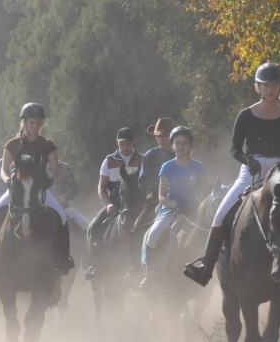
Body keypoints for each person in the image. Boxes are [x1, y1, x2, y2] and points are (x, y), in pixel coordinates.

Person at [184, 62, 280, 287]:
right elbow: (235, 148)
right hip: (251, 170)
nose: (270, 89)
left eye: (274, 85)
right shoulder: (245, 115)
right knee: (220, 215)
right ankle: (205, 268)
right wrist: (247, 160)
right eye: (266, 85)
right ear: (258, 87)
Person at [0, 102, 75, 274]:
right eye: (31, 122)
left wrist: (48, 182)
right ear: (24, 122)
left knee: (61, 216)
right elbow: (4, 170)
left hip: (39, 190)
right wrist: (8, 182)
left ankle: (64, 257)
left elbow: (56, 172)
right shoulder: (12, 144)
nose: (35, 126)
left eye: (38, 123)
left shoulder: (48, 146)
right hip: (16, 189)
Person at [139, 127, 206, 290]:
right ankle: (149, 274)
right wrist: (176, 205)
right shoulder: (167, 167)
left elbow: (205, 194)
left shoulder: (199, 167)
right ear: (172, 146)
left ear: (190, 145)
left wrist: (200, 207)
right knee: (153, 234)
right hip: (171, 209)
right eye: (177, 143)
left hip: (194, 209)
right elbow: (161, 196)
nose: (181, 146)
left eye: (184, 143)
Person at [84, 127, 144, 280]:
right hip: (115, 201)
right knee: (93, 227)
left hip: (135, 203)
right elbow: (101, 187)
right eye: (122, 144)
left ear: (134, 142)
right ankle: (95, 265)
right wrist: (108, 204)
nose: (125, 147)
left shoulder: (142, 159)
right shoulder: (108, 161)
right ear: (117, 142)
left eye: (128, 144)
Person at [138, 118, 176, 204]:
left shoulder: (183, 153)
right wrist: (164, 181)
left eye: (165, 136)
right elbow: (142, 182)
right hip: (156, 198)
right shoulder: (150, 155)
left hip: (184, 197)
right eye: (158, 136)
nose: (161, 140)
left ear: (173, 136)